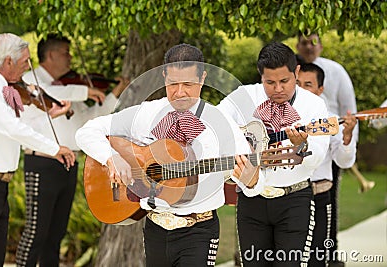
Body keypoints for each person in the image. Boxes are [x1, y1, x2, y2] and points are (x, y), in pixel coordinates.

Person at [75, 43, 263, 267]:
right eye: (173, 83)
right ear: (164, 76)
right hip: (155, 228)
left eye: (188, 84)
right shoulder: (146, 113)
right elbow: (86, 131)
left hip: (199, 231)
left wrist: (252, 179)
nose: (180, 92)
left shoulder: (220, 123)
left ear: (202, 78)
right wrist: (111, 157)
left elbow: (255, 185)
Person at [15, 34, 128, 267]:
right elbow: (46, 94)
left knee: (56, 234)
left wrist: (113, 95)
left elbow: (87, 119)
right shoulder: (29, 81)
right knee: (35, 233)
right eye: (67, 53)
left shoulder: (68, 87)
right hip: (42, 164)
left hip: (68, 165)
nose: (71, 58)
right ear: (52, 55)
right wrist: (84, 91)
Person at [218, 42, 330, 266]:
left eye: (284, 81)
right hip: (251, 201)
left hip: (294, 200)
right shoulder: (244, 96)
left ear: (296, 72)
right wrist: (241, 144)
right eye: (270, 82)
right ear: (261, 76)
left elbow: (317, 158)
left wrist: (302, 145)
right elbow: (215, 123)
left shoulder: (313, 105)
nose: (278, 89)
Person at [0, 33, 75, 267]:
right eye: (25, 61)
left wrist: (49, 114)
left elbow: (18, 125)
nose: (29, 66)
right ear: (8, 62)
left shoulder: (7, 89)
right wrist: (55, 149)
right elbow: (13, 128)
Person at [296, 32, 358, 267]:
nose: (309, 47)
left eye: (314, 42)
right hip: (290, 192)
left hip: (329, 151)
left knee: (327, 204)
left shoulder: (336, 71)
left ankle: (330, 254)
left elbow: (349, 109)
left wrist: (348, 138)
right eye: (304, 43)